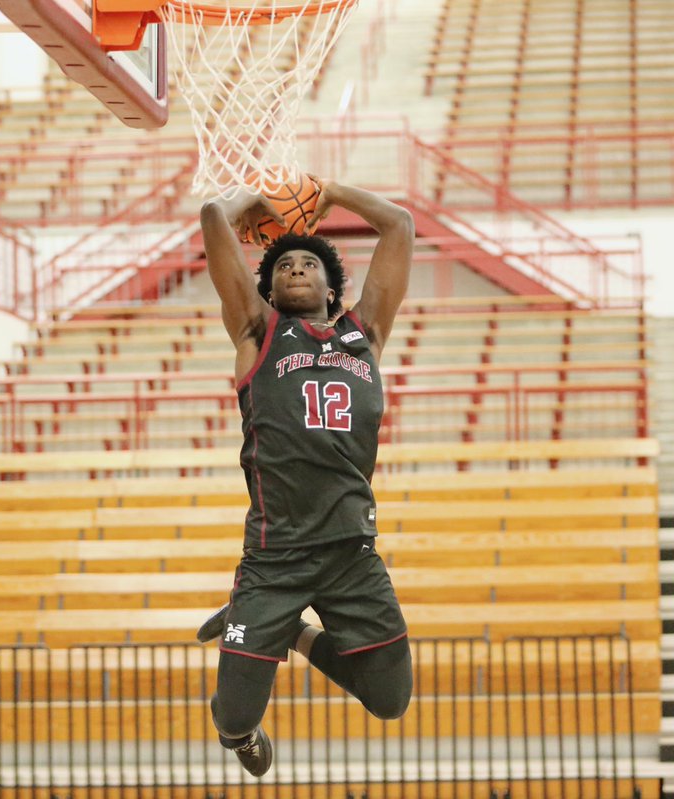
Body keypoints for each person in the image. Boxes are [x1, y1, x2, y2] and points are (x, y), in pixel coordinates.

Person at [195, 178, 416, 777]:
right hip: (275, 557)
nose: (296, 267)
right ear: (268, 288)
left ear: (331, 287)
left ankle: (293, 633)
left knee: (390, 699)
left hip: (351, 552)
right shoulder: (257, 331)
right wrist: (251, 198)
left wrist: (333, 191)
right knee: (233, 719)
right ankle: (242, 725)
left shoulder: (364, 336)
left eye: (309, 263)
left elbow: (398, 225)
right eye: (284, 265)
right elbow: (213, 216)